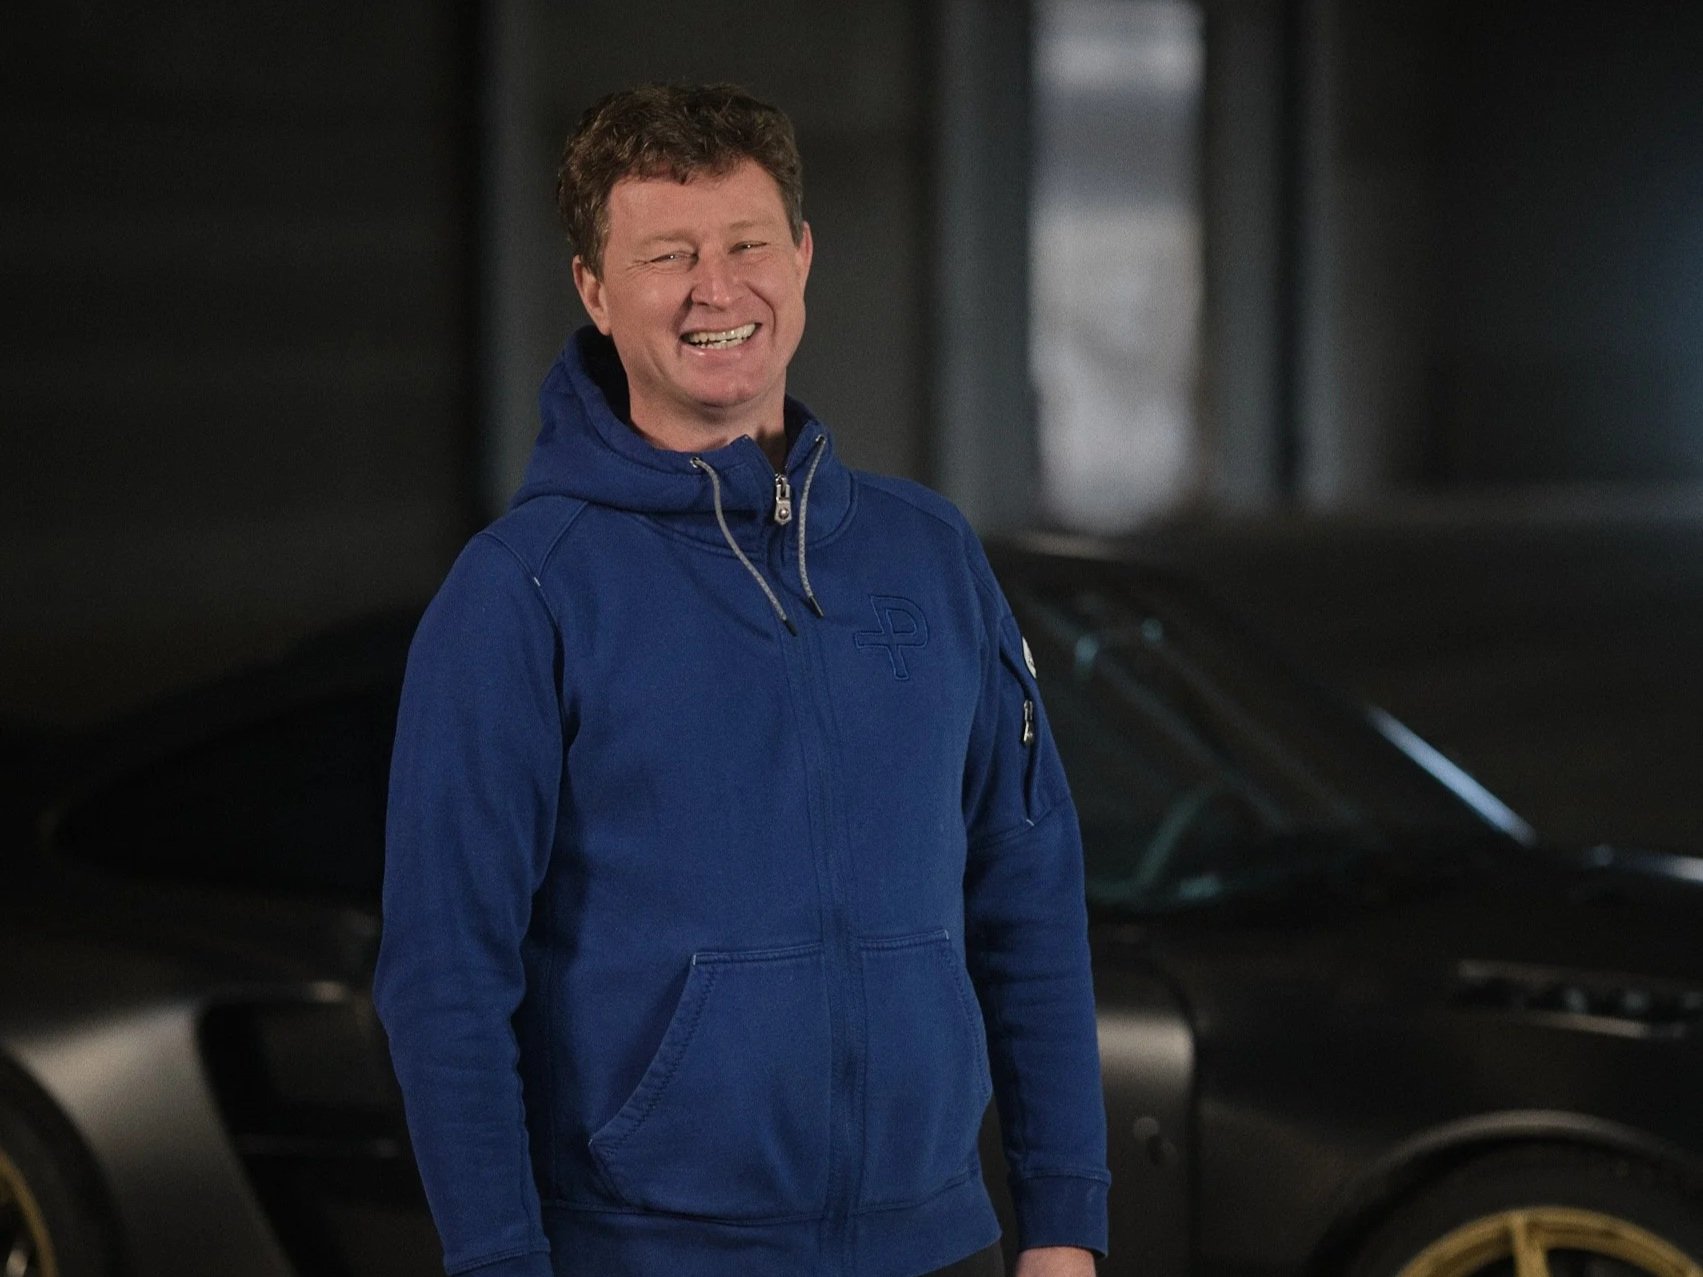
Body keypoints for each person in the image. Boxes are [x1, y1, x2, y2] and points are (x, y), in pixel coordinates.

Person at [374, 82, 1108, 1277]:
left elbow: (1028, 888)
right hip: (647, 1252)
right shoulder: (522, 593)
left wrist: (1065, 1220)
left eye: (747, 244)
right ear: (593, 290)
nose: (716, 290)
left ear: (802, 259)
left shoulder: (927, 555)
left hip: (937, 1243)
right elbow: (444, 973)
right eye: (667, 255)